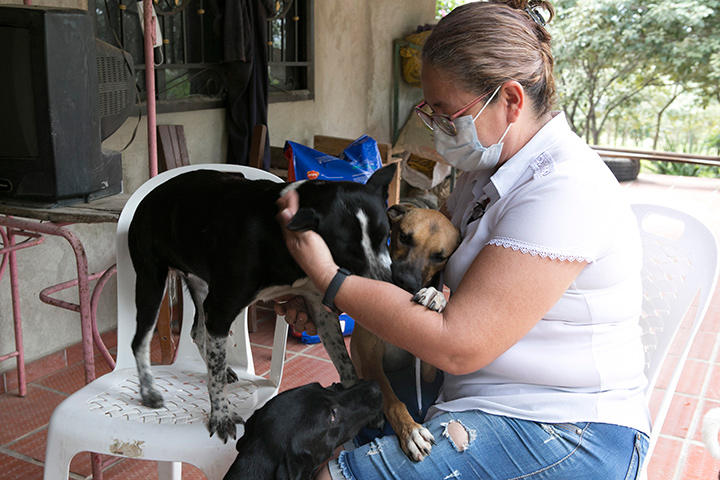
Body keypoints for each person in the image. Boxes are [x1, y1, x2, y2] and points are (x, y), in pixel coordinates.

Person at [275, 0, 650, 478]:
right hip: (466, 398)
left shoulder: (563, 189)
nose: (439, 131)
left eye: (449, 114)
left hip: (563, 428)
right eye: (430, 111)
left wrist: (330, 280)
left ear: (511, 100)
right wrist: (336, 300)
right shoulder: (484, 172)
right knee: (297, 449)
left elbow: (458, 345)